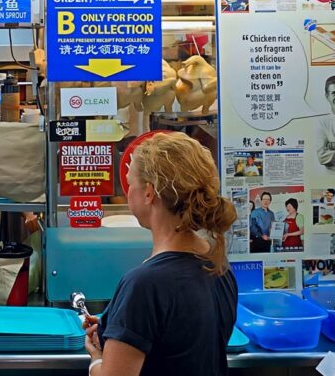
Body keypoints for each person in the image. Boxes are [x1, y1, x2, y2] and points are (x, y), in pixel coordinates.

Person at [83, 132, 237, 376]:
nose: (127, 192)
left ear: (148, 192)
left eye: (130, 183)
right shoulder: (218, 266)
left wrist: (97, 358)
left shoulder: (145, 284)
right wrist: (116, 326)